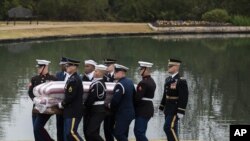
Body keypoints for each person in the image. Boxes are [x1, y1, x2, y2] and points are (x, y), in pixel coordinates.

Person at [159, 59, 189, 141]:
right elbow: (165, 95)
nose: (168, 67)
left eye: (170, 66)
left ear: (176, 67)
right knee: (172, 129)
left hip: (175, 110)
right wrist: (162, 106)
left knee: (168, 128)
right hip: (168, 109)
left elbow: (184, 97)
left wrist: (181, 111)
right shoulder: (168, 79)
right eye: (168, 66)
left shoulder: (181, 80)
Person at [28, 59, 57, 141]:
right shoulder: (34, 79)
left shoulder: (53, 79)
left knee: (37, 128)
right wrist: (35, 100)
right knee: (35, 130)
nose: (38, 69)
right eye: (38, 67)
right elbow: (30, 92)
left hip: (46, 109)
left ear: (45, 67)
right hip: (35, 107)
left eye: (40, 67)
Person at [58, 58, 84, 141]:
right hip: (69, 111)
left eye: (69, 65)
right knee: (67, 135)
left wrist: (62, 104)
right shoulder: (71, 78)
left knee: (71, 133)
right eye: (66, 65)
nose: (67, 67)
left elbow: (70, 97)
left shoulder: (74, 80)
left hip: (73, 112)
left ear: (74, 67)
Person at [110, 64, 135, 141]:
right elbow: (134, 96)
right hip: (130, 113)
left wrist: (109, 106)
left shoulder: (120, 84)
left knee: (118, 133)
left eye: (116, 71)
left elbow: (115, 101)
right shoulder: (130, 82)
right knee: (124, 134)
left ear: (121, 73)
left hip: (123, 113)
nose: (114, 73)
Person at [134, 61, 156, 141]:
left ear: (146, 70)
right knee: (141, 132)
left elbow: (137, 98)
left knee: (138, 132)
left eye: (141, 69)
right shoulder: (151, 81)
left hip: (142, 110)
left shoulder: (143, 83)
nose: (140, 70)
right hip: (148, 109)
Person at [85, 64, 107, 141]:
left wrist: (84, 107)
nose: (94, 72)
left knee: (90, 132)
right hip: (97, 110)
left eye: (96, 71)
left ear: (100, 73)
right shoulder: (99, 83)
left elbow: (91, 99)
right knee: (93, 132)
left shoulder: (98, 84)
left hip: (97, 110)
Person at [103, 58, 117, 141]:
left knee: (111, 128)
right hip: (106, 106)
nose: (106, 67)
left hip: (113, 105)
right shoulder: (106, 76)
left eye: (108, 65)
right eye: (106, 65)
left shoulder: (117, 75)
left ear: (114, 65)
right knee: (106, 129)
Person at [55, 57, 68, 141]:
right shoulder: (58, 74)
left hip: (68, 104)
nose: (61, 66)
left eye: (62, 65)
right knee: (59, 126)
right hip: (58, 104)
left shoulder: (75, 75)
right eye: (61, 65)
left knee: (67, 128)